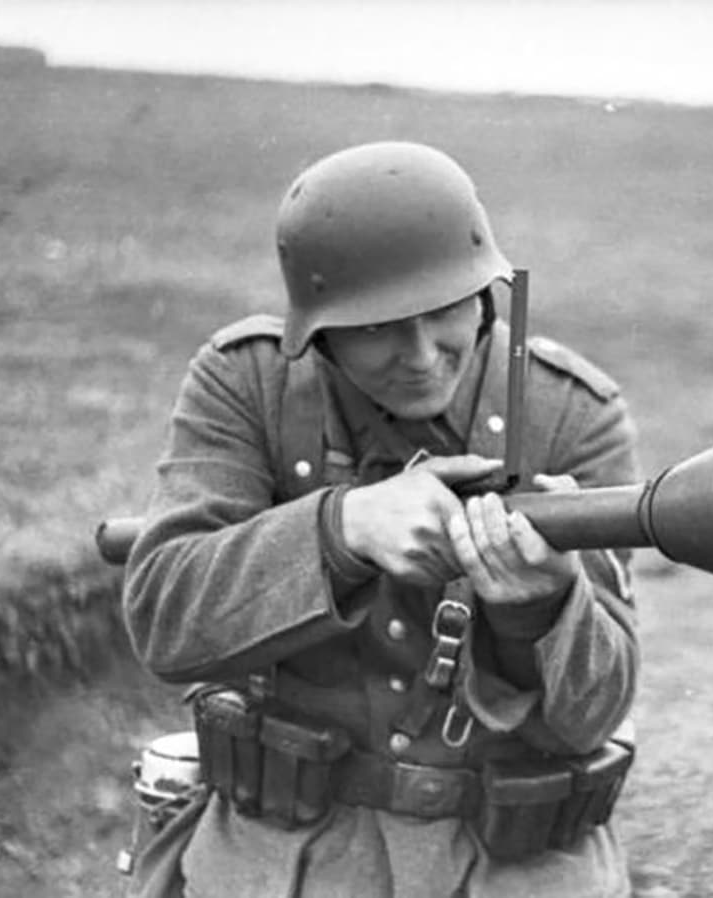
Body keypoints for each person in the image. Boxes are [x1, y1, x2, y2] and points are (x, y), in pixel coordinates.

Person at [120, 141, 641, 898]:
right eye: (378, 328)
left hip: (512, 869)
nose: (423, 355)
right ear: (320, 332)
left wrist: (544, 608)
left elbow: (593, 717)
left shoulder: (572, 415)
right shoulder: (249, 384)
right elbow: (165, 620)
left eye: (445, 312)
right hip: (287, 860)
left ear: (488, 295)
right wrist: (343, 530)